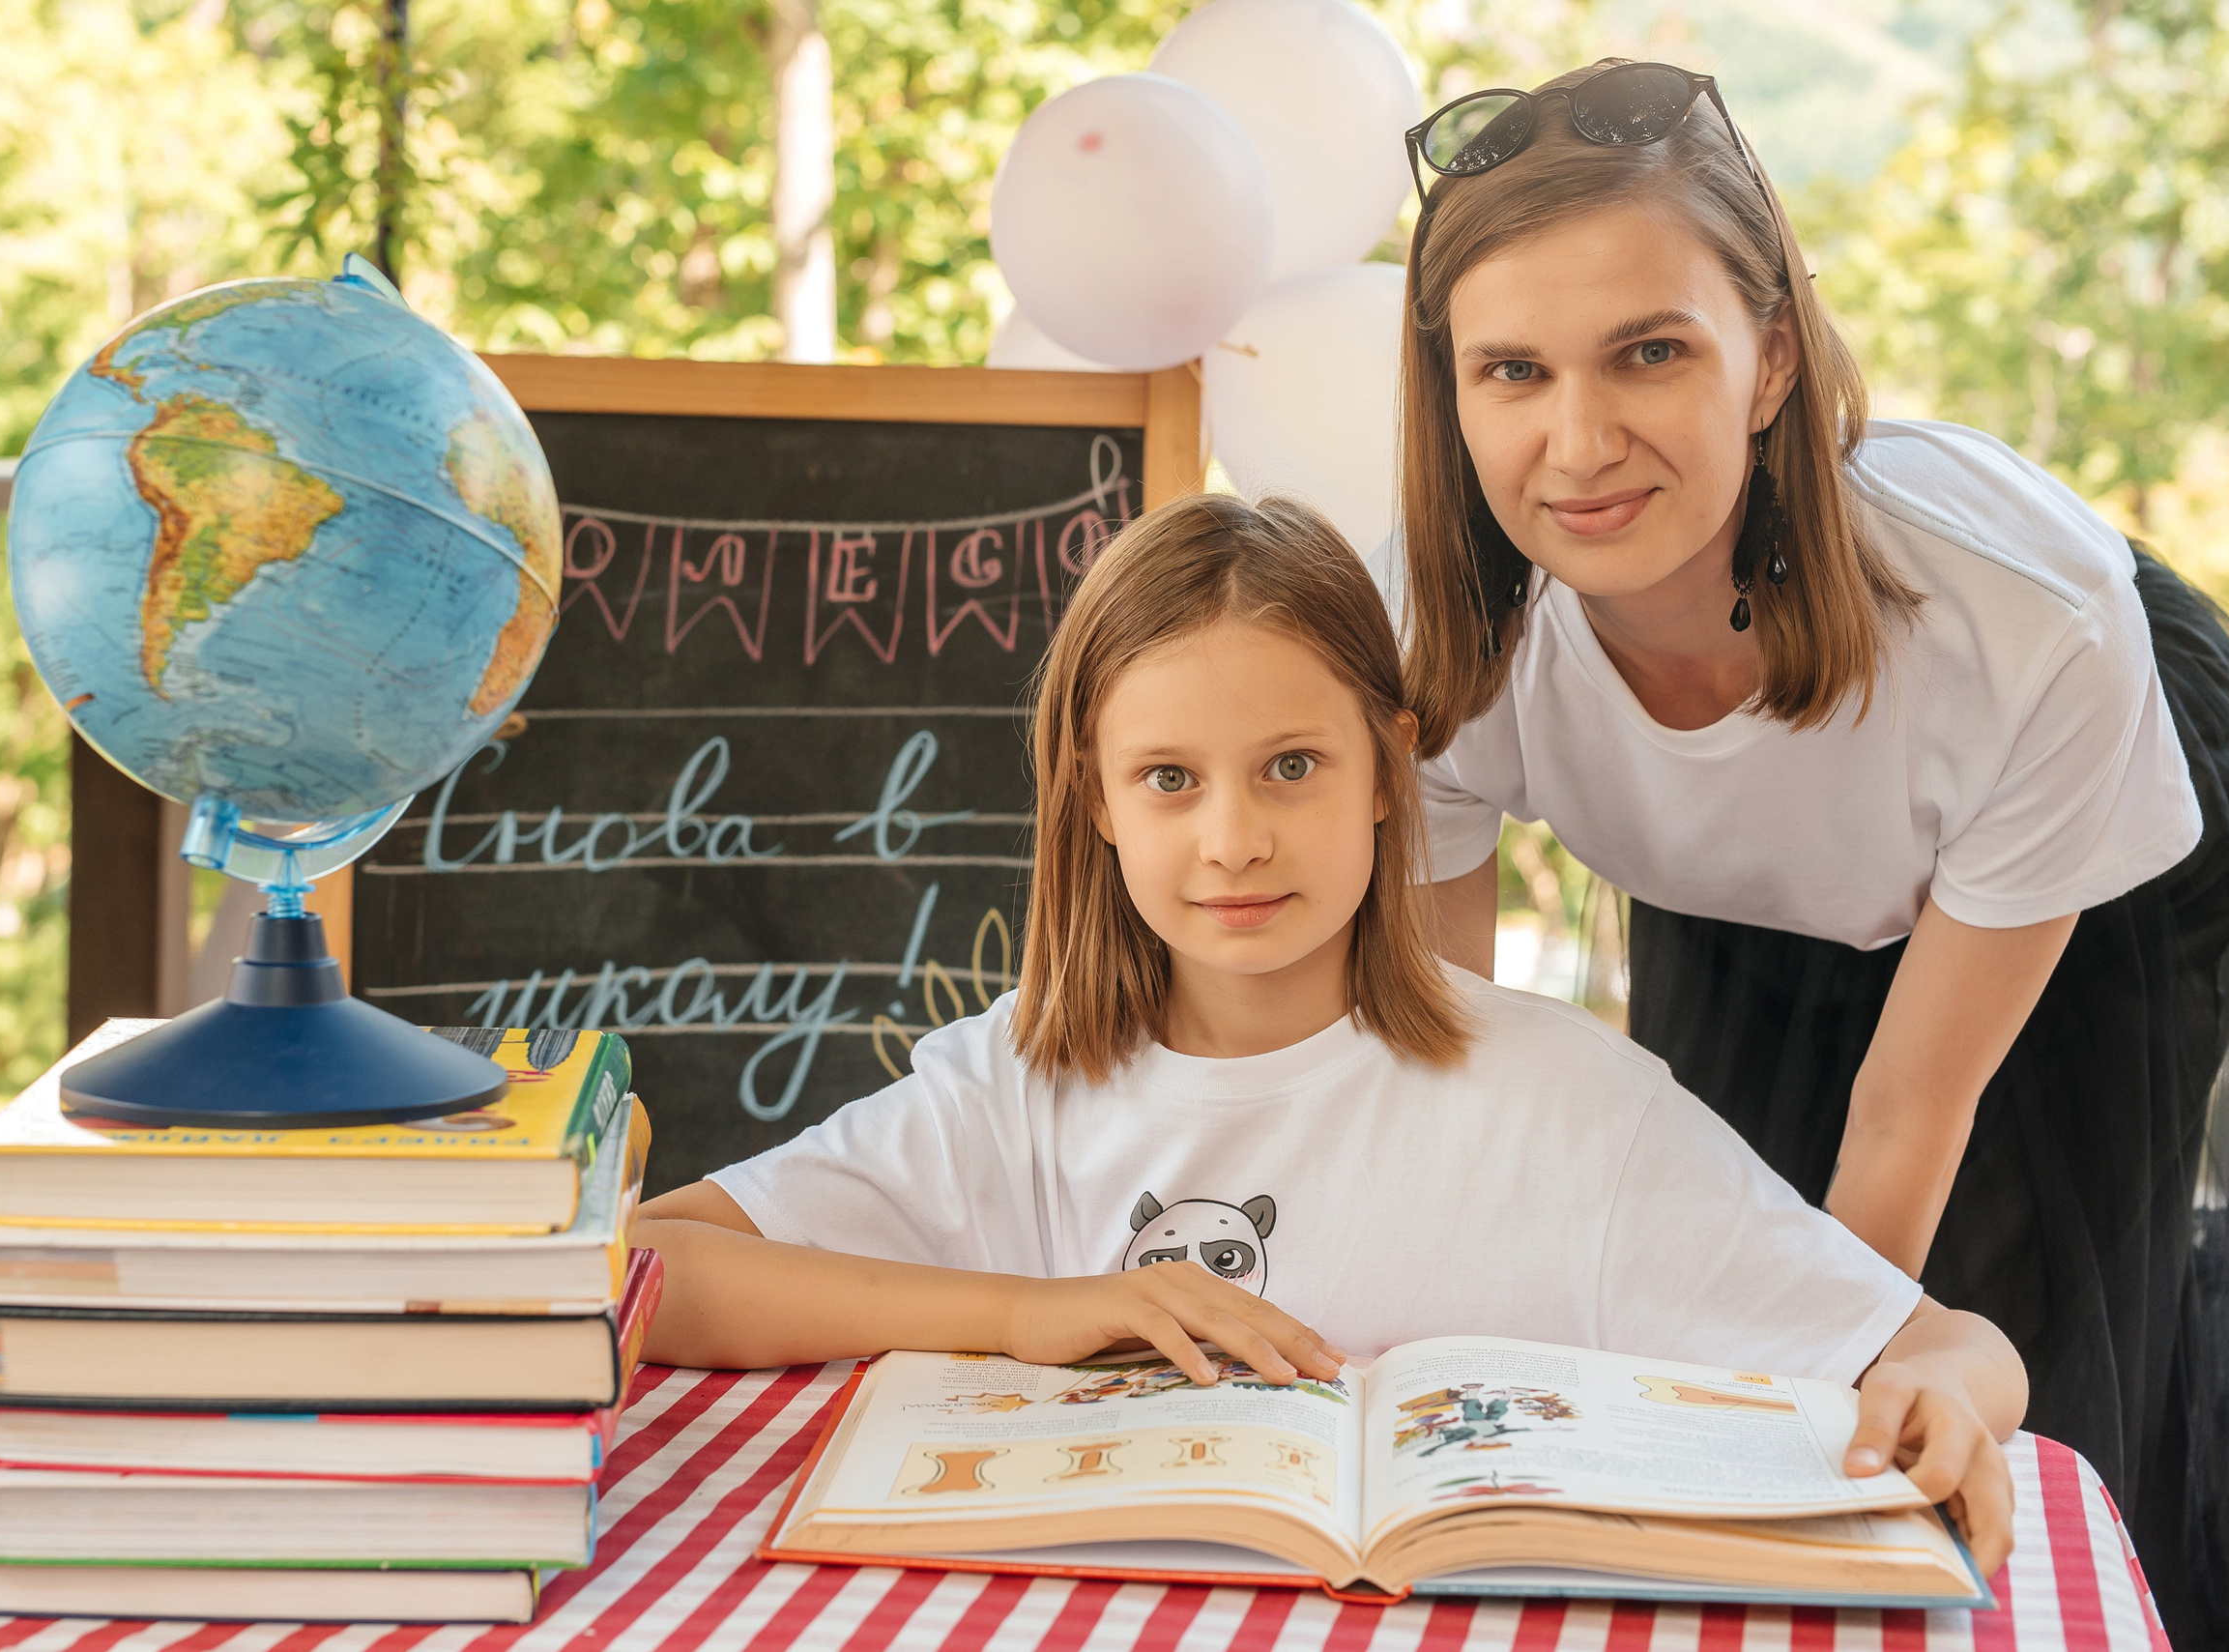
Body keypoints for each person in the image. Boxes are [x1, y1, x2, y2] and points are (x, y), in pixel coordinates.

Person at [632, 491, 2028, 1577]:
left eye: (1291, 767)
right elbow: (644, 1269)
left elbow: (1948, 1344)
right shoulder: (1013, 1082)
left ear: (1386, 767)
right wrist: (1032, 1311)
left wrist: (1950, 1392)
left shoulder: (1568, 1101)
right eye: (1169, 778)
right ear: (1099, 801)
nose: (1232, 838)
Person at [1384, 58, 2229, 1644]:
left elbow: (1908, 1114)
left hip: (2086, 847)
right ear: (1450, 389)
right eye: (1513, 371)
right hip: (1753, 861)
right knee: (1727, 1239)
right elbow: (1444, 1050)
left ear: (1770, 358)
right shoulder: (1437, 614)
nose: (1580, 441)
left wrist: (1767, 1454)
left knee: (1981, 1324)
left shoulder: (2029, 626)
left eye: (1650, 352)